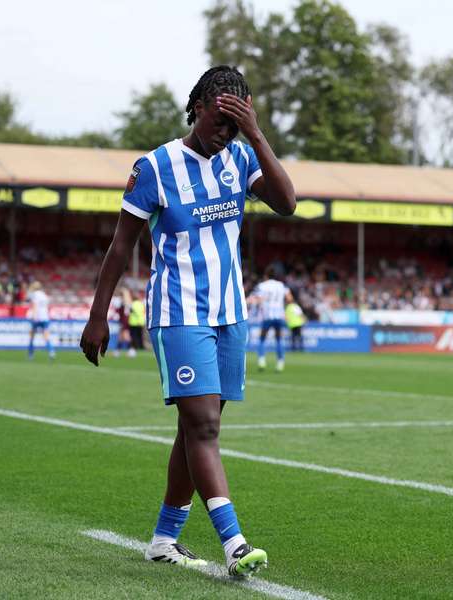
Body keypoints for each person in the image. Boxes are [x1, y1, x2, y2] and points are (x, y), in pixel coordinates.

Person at [79, 65, 295, 577]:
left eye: (236, 125)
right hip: (179, 313)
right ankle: (235, 544)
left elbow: (287, 204)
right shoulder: (155, 167)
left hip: (230, 313)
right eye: (221, 122)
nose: (226, 134)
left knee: (193, 430)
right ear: (197, 108)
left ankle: (163, 539)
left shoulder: (241, 157)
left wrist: (256, 135)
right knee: (204, 425)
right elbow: (121, 247)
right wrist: (98, 315)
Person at [252, 266, 292, 372]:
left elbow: (257, 299)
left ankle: (261, 361)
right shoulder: (281, 285)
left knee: (262, 338)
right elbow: (289, 299)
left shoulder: (262, 285)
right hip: (279, 315)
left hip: (267, 315)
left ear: (266, 275)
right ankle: (280, 363)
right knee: (279, 339)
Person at [26, 281, 55, 360]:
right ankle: (51, 351)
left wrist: (34, 316)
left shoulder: (35, 295)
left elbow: (35, 306)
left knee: (32, 336)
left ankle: (30, 354)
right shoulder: (44, 295)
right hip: (45, 317)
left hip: (37, 318)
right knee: (46, 336)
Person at [112, 288, 132, 358]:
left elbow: (124, 314)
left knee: (124, 336)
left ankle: (128, 350)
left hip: (124, 321)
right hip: (125, 321)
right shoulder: (126, 303)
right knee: (122, 336)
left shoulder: (124, 303)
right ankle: (120, 350)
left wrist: (123, 323)